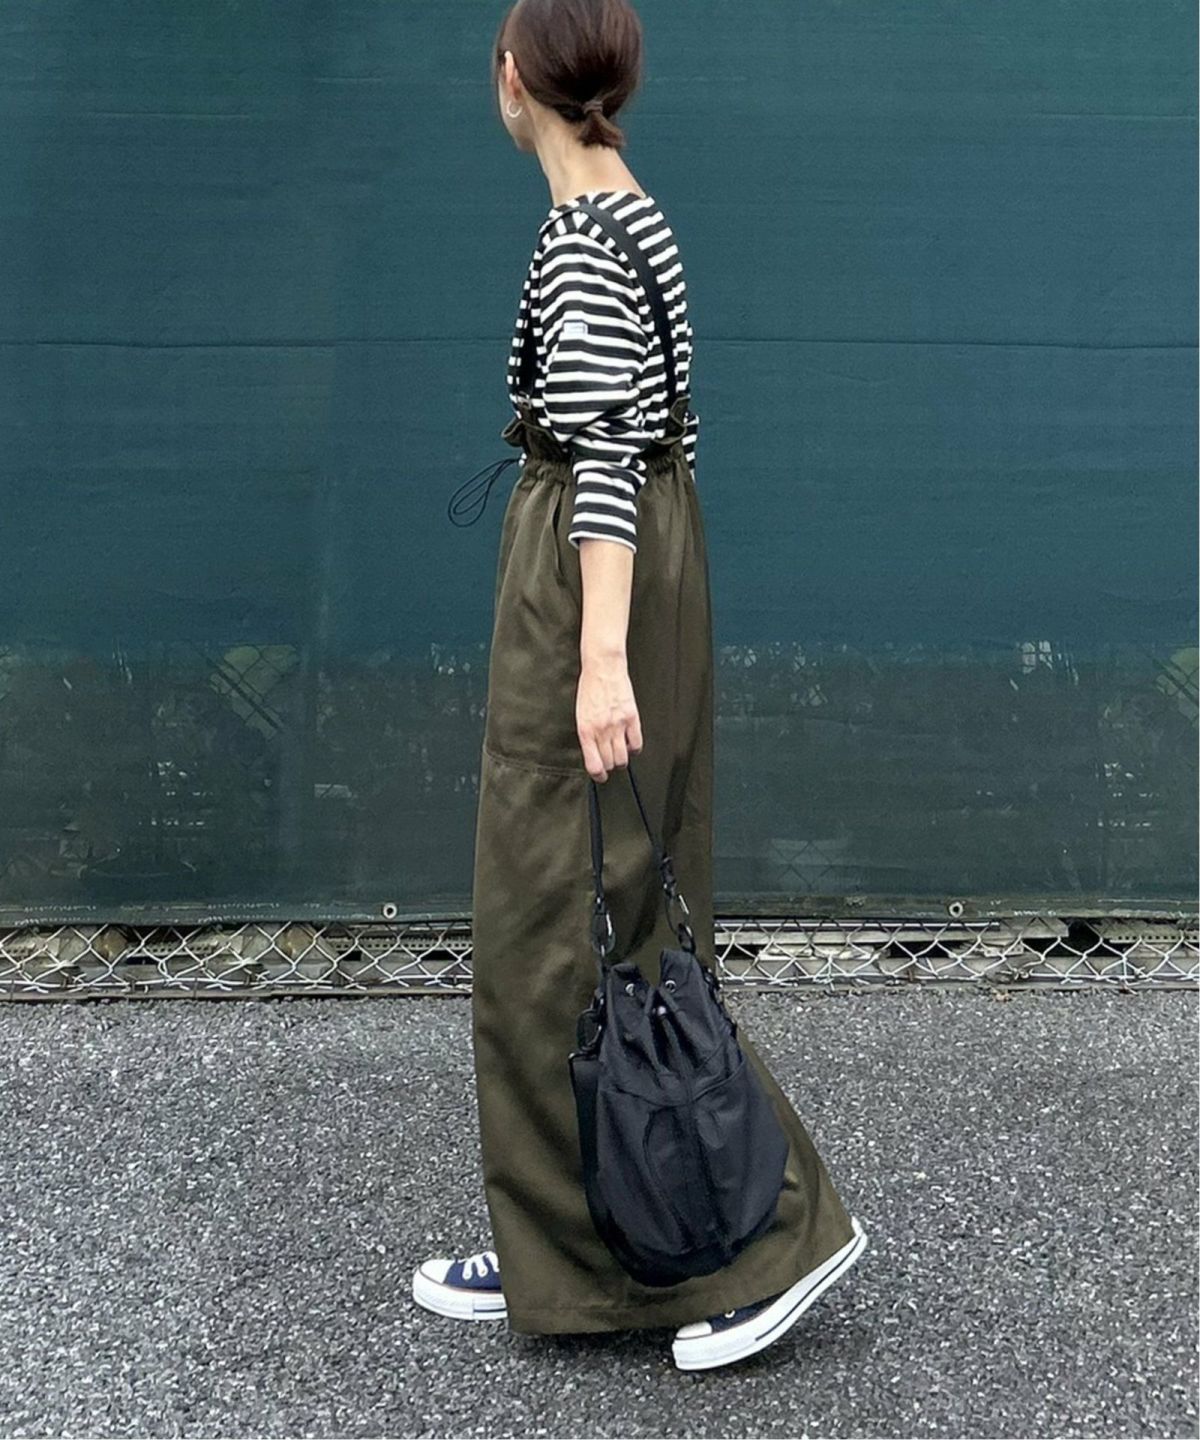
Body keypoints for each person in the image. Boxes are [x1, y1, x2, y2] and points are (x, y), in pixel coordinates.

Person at [413, 0, 867, 1371]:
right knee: (611, 911)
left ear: (513, 79)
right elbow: (655, 439)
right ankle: (575, 1244)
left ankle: (770, 1235)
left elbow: (607, 451)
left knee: (554, 914)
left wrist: (601, 657)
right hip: (643, 560)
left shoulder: (582, 238)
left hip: (593, 577)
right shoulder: (634, 213)